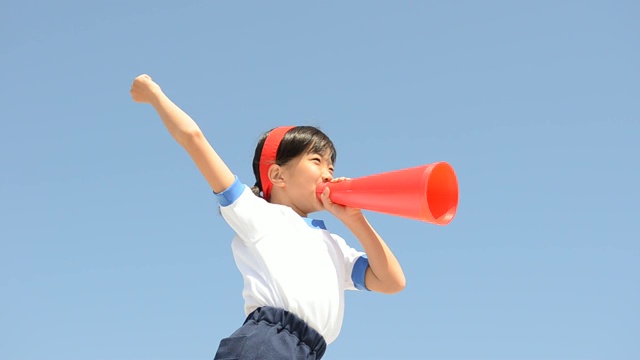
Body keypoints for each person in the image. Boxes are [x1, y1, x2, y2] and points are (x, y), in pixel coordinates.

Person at [130, 74, 406, 359]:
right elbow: (194, 139)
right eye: (316, 161)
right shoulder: (259, 214)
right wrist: (154, 94)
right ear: (277, 174)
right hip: (268, 342)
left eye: (332, 168)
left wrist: (355, 220)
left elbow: (392, 281)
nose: (328, 173)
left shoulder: (333, 244)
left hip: (308, 351)